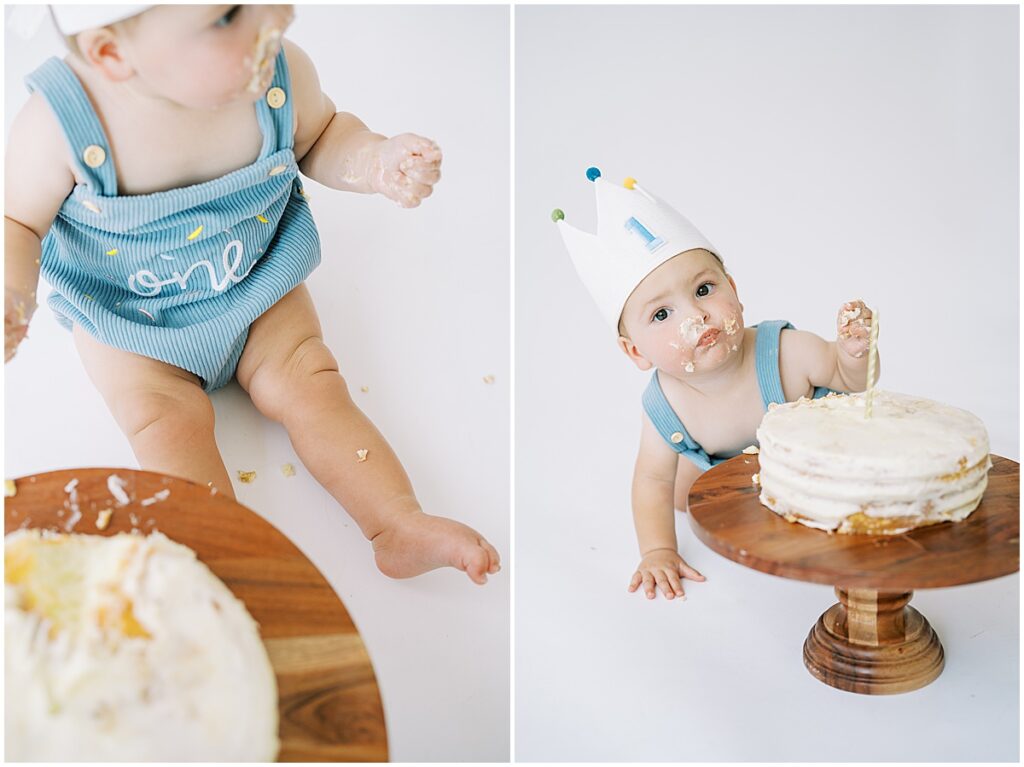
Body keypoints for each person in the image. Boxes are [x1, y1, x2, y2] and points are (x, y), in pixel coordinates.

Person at [4, 4, 500, 584]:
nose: (278, 16)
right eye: (229, 15)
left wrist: (372, 159)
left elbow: (320, 136)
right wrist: (13, 294)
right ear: (111, 54)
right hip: (131, 323)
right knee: (164, 425)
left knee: (313, 385)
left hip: (258, 287)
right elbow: (17, 222)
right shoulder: (59, 123)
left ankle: (397, 523)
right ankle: (217, 565)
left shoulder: (278, 74)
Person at [553, 168, 875, 600]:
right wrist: (659, 550)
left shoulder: (786, 353)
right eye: (662, 315)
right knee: (683, 495)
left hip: (814, 463)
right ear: (636, 352)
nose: (695, 316)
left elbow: (852, 383)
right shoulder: (667, 405)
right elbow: (650, 481)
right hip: (733, 475)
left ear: (734, 290)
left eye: (704, 289)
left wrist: (853, 355)